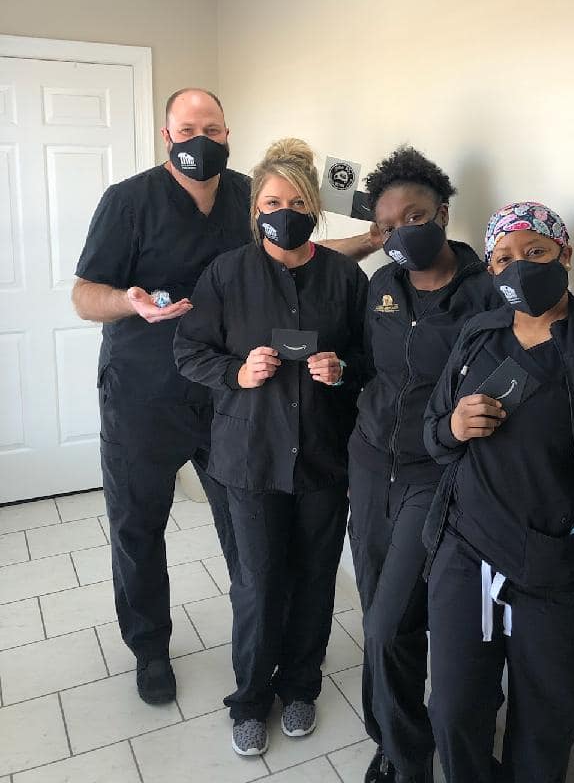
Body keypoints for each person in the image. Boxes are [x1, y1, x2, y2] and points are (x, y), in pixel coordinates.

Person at [72, 89, 380, 706]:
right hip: (145, 397)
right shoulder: (128, 202)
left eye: (211, 128)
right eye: (187, 129)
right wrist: (129, 302)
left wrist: (370, 242)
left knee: (248, 540)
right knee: (138, 527)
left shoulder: (249, 192)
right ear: (167, 136)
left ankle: (268, 656)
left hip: (236, 405)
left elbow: (297, 257)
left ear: (228, 133)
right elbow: (84, 294)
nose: (200, 140)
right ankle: (150, 649)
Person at [422, 201, 574, 783]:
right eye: (503, 259)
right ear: (489, 270)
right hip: (466, 553)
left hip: (558, 573)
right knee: (453, 713)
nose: (520, 268)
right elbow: (433, 435)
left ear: (565, 255)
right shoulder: (478, 336)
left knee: (543, 735)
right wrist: (453, 426)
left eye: (535, 252)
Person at [174, 138, 368, 757]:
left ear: (315, 206)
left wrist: (342, 369)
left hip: (322, 457)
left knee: (314, 580)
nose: (285, 213)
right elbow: (189, 351)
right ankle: (251, 698)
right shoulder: (226, 274)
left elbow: (372, 358)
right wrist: (237, 371)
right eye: (272, 203)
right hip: (250, 457)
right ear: (255, 209)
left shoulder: (344, 277)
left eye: (298, 203)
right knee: (257, 584)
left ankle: (302, 686)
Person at [347, 147, 500, 783]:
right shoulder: (382, 285)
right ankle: (390, 741)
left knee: (390, 626)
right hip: (369, 463)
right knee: (376, 615)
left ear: (442, 214)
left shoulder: (485, 293)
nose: (401, 233)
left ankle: (411, 766)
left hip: (433, 474)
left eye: (413, 216)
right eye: (386, 226)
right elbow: (366, 363)